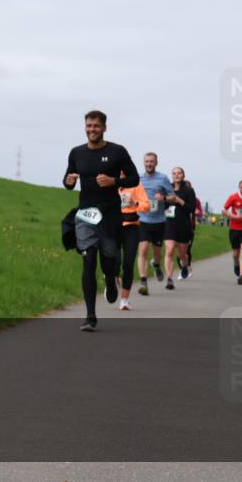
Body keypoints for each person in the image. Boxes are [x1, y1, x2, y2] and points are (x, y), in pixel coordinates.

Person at [63, 110, 139, 331]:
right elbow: (68, 180)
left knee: (109, 257)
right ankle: (90, 317)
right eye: (88, 126)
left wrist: (114, 181)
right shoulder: (76, 153)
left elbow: (134, 178)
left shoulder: (117, 151)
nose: (92, 130)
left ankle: (109, 277)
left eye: (96, 126)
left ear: (104, 128)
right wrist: (67, 181)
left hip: (110, 215)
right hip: (86, 214)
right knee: (88, 261)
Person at [136, 153, 176, 296]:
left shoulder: (163, 178)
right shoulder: (138, 178)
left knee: (157, 252)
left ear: (156, 163)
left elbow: (173, 197)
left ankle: (156, 264)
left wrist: (164, 197)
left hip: (159, 221)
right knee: (143, 249)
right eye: (147, 161)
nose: (149, 164)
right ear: (143, 162)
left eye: (152, 161)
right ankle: (143, 281)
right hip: (142, 220)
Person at [117, 175, 150, 310]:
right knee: (112, 261)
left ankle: (124, 300)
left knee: (128, 263)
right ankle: (111, 279)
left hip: (132, 227)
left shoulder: (136, 185)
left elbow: (147, 206)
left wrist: (135, 203)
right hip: (113, 226)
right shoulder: (109, 182)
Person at [163, 167, 196, 287]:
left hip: (183, 225)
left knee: (182, 254)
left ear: (183, 175)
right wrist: (166, 200)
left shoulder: (189, 190)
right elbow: (162, 204)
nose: (176, 175)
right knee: (170, 250)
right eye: (174, 173)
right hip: (169, 224)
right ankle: (169, 279)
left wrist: (178, 200)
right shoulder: (167, 188)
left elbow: (191, 208)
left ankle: (185, 264)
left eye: (179, 173)